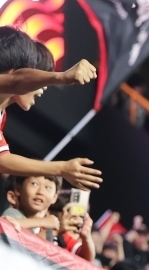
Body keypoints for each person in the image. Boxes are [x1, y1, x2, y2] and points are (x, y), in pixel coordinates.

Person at [0, 27, 102, 190]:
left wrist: (63, 169)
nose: (44, 86)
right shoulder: (15, 80)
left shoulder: (1, 117)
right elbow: (16, 80)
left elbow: (3, 159)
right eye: (39, 79)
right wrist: (61, 77)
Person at [3, 175, 59, 239]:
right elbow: (6, 225)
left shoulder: (44, 228)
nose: (40, 192)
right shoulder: (13, 213)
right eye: (34, 184)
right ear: (18, 189)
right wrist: (43, 221)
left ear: (54, 197)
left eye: (47, 187)